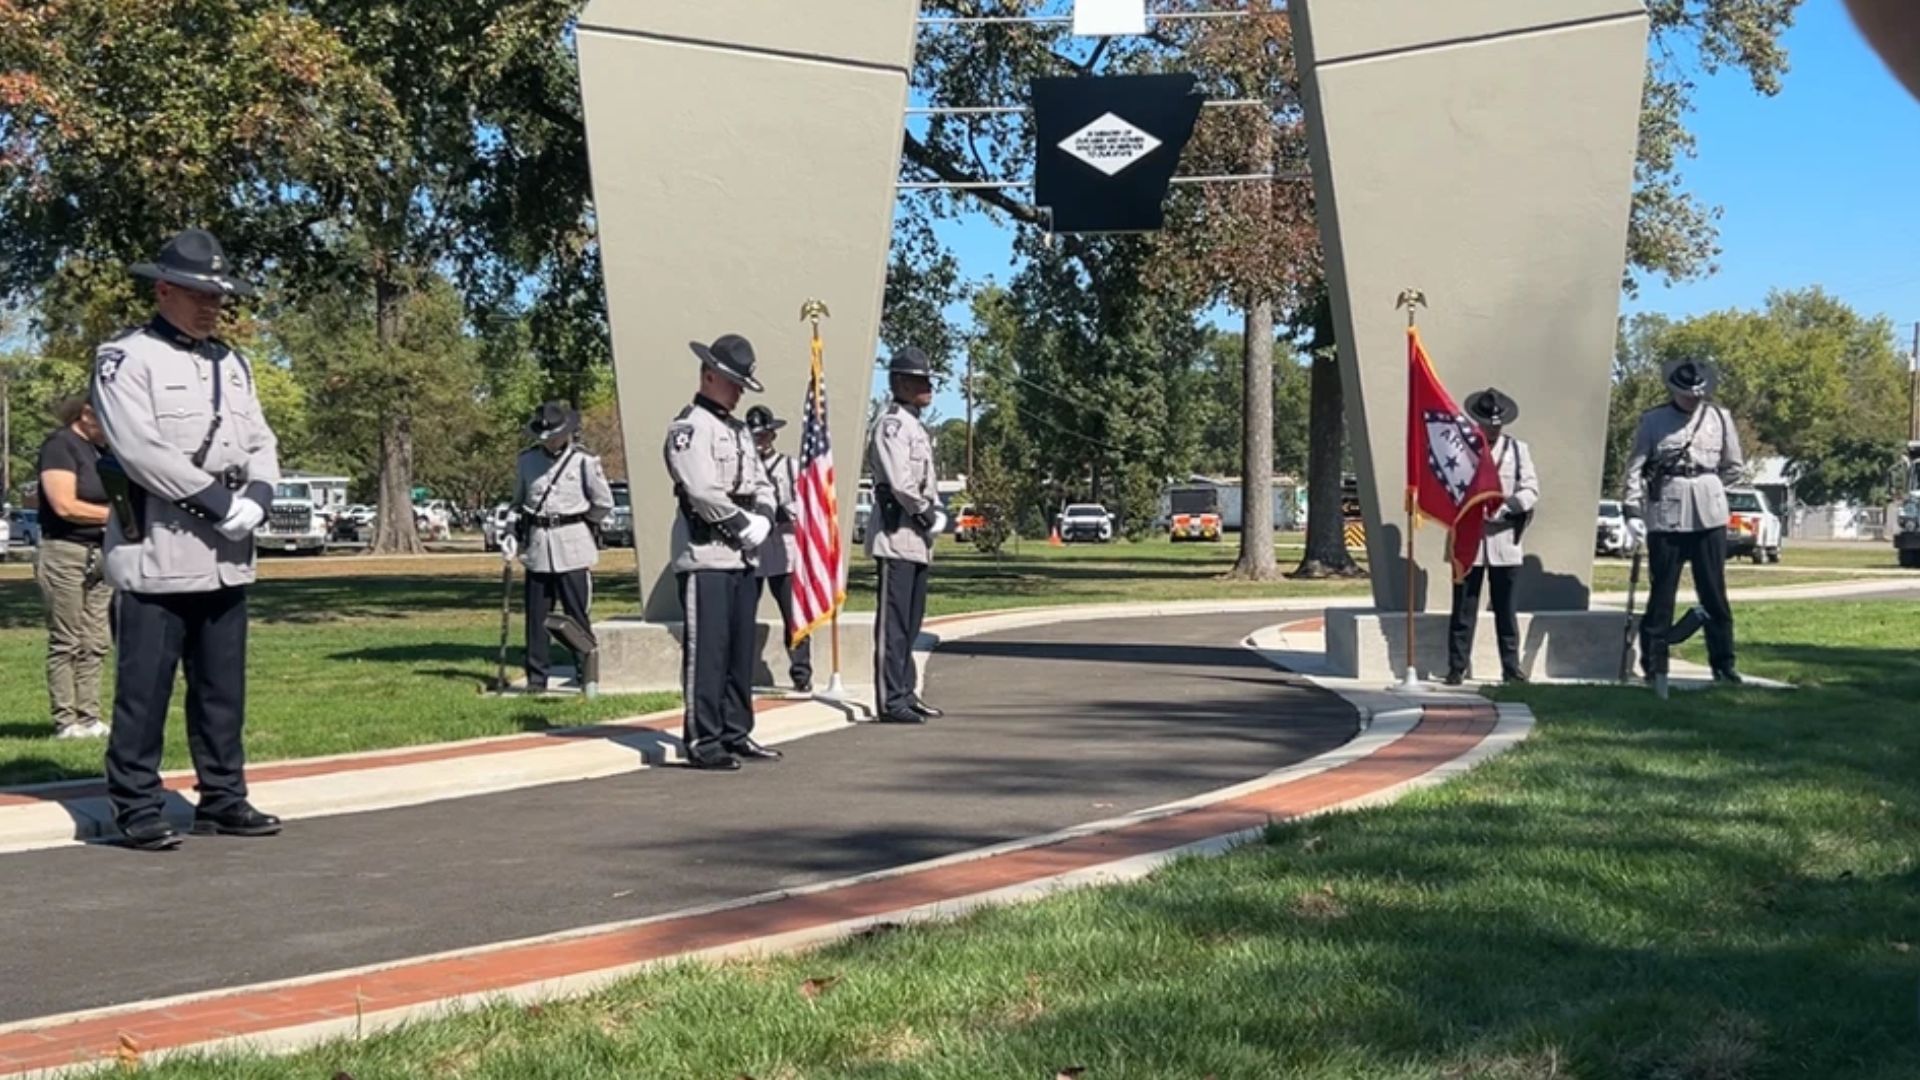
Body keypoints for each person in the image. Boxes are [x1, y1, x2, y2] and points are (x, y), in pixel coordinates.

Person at [90, 228, 283, 851]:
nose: (211, 307)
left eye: (218, 297)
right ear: (164, 290)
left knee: (223, 690)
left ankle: (222, 797)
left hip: (226, 555)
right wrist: (219, 503)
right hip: (159, 548)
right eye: (199, 294)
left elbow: (261, 440)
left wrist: (258, 498)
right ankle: (136, 804)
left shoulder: (233, 363)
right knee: (144, 690)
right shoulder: (126, 359)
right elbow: (140, 449)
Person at [664, 334, 781, 770]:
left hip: (743, 556)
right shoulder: (689, 428)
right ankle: (704, 738)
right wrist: (740, 524)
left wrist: (763, 517)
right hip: (707, 553)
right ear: (709, 376)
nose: (737, 392)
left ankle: (736, 731)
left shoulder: (739, 430)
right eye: (733, 383)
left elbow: (763, 482)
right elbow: (700, 489)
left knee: (738, 650)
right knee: (708, 651)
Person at [1624, 358, 1746, 687]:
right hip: (1667, 513)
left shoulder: (1719, 418)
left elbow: (1734, 466)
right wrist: (1632, 510)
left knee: (1714, 592)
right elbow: (1635, 468)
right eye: (1687, 394)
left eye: (1698, 394)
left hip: (1709, 515)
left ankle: (1723, 664)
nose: (1693, 399)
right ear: (1674, 391)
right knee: (1662, 594)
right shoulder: (1653, 420)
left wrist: (1710, 487)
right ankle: (1654, 664)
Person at [499, 401, 615, 693]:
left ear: (566, 432)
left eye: (554, 435)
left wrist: (581, 525)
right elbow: (518, 502)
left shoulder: (584, 461)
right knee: (536, 617)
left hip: (572, 545)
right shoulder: (527, 461)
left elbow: (603, 503)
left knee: (576, 615)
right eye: (545, 436)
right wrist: (511, 532)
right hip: (538, 546)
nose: (550, 441)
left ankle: (586, 673)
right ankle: (537, 678)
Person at [866, 346, 947, 724]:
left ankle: (905, 689)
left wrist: (934, 513)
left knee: (911, 623)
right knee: (894, 624)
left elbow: (925, 482)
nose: (928, 386)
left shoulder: (916, 427)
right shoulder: (892, 425)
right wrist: (927, 513)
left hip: (917, 539)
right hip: (897, 533)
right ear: (899, 382)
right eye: (919, 380)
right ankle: (890, 699)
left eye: (928, 379)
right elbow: (900, 482)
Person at [1445, 388, 1539, 686]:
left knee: (1505, 610)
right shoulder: (1462, 449)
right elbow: (1450, 487)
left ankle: (1511, 668)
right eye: (1488, 424)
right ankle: (1456, 667)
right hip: (1469, 540)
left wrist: (1509, 506)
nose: (1493, 429)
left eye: (1497, 425)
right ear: (1478, 422)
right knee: (1463, 609)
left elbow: (1531, 488)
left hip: (1505, 539)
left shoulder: (1517, 450)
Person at [35, 397, 114, 739]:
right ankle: (66, 720)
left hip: (102, 553)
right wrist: (117, 516)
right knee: (66, 639)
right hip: (65, 552)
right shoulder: (60, 446)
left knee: (96, 640)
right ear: (86, 414)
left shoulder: (103, 452)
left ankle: (90, 716)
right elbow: (64, 505)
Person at [746, 404, 814, 693]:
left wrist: (786, 511)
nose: (760, 440)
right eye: (754, 436)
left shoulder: (790, 466)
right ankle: (739, 671)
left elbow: (806, 503)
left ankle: (801, 672)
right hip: (752, 551)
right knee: (743, 614)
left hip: (784, 551)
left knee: (793, 616)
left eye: (764, 434)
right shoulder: (743, 468)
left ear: (773, 435)